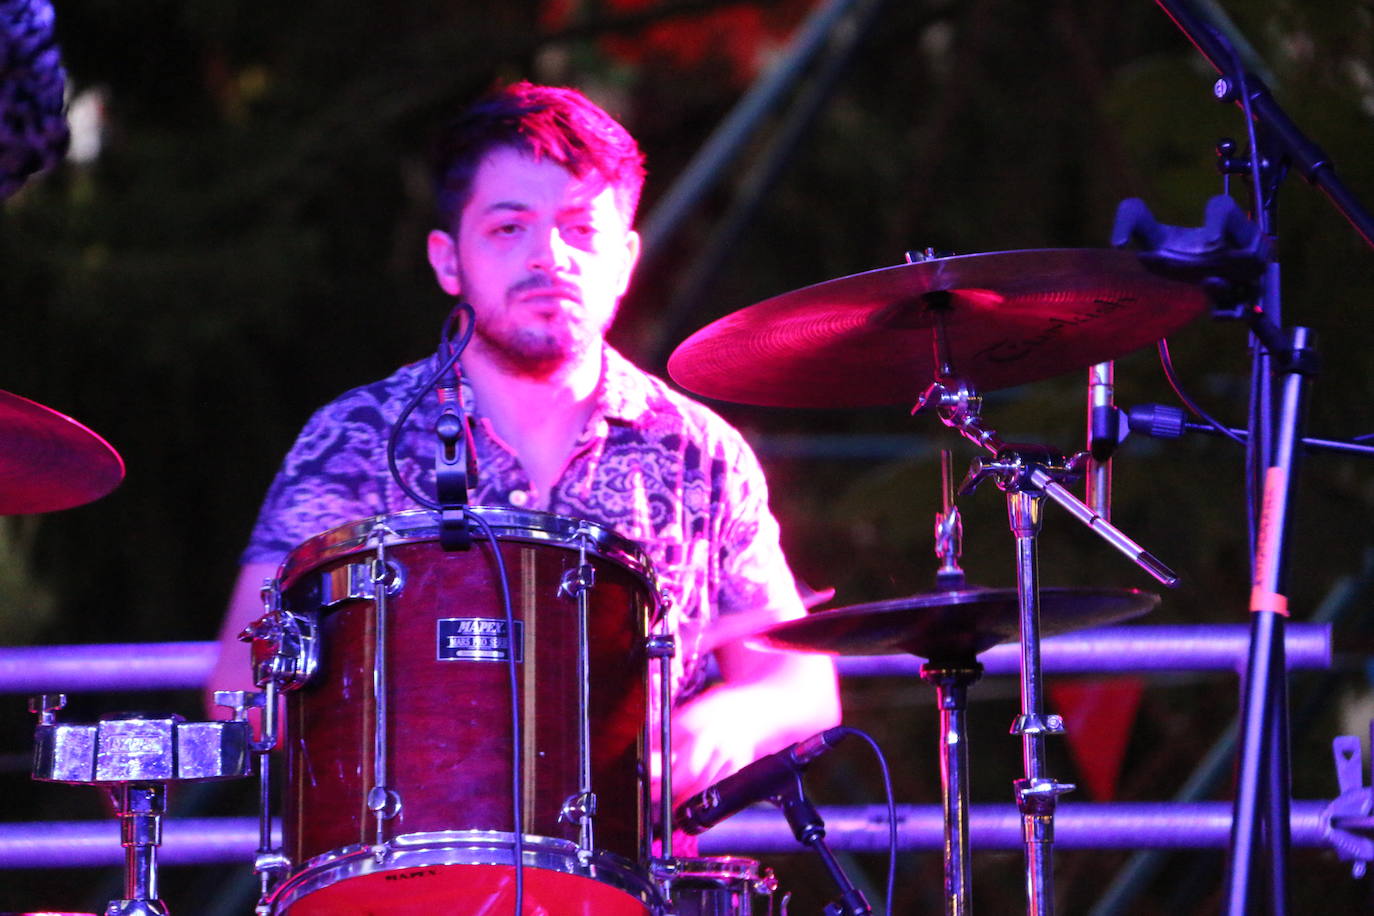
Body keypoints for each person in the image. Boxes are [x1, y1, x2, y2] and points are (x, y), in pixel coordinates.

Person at [208, 81, 840, 809]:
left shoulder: (700, 453)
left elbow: (800, 684)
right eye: (511, 229)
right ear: (448, 261)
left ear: (626, 258)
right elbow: (238, 680)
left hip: (639, 880)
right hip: (408, 870)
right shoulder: (351, 440)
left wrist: (725, 720)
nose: (551, 257)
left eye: (580, 228)